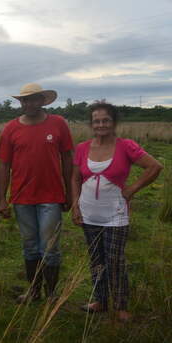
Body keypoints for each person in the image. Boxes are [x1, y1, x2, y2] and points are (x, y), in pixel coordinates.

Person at [71, 102, 162, 322]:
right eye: (96, 121)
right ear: (91, 124)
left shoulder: (125, 146)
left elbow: (154, 166)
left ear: (114, 123)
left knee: (115, 260)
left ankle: (121, 305)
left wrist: (132, 189)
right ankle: (100, 301)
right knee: (96, 259)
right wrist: (75, 203)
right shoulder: (82, 148)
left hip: (115, 215)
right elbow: (75, 177)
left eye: (105, 120)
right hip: (88, 214)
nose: (100, 125)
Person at [0, 83, 73, 302]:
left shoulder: (58, 124)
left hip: (51, 196)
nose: (28, 103)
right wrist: (2, 198)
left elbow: (68, 158)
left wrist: (69, 193)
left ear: (42, 100)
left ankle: (51, 294)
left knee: (50, 248)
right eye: (25, 100)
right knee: (30, 247)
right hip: (22, 198)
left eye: (33, 99)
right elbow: (4, 166)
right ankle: (33, 292)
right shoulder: (11, 128)